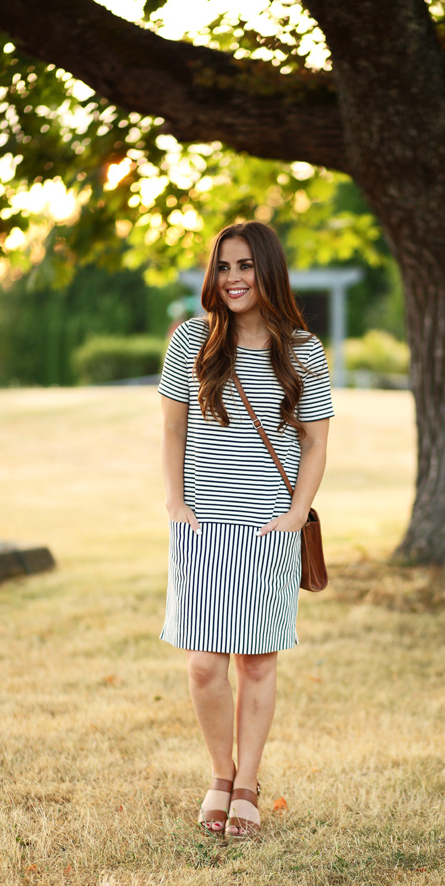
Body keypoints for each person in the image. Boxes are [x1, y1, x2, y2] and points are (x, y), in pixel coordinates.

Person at [158, 220, 333, 838]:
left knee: (256, 663)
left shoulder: (302, 350)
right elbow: (173, 434)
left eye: (246, 267)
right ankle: (220, 776)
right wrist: (178, 507)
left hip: (269, 531)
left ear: (268, 271)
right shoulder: (191, 343)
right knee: (205, 665)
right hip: (202, 526)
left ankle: (248, 786)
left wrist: (293, 515)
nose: (233, 279)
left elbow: (313, 445)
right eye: (224, 267)